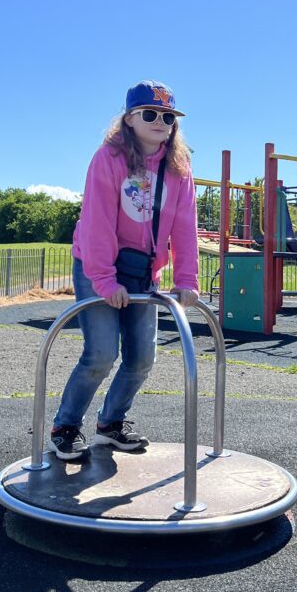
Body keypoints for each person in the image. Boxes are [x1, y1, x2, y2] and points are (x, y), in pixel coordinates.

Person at [50, 80, 199, 459]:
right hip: (99, 263)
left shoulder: (178, 169)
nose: (160, 122)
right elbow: (96, 218)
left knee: (142, 358)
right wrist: (103, 278)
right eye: (150, 114)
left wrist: (186, 280)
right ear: (129, 119)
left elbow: (184, 226)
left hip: (144, 270)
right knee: (101, 353)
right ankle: (66, 425)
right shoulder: (110, 159)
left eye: (168, 117)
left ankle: (111, 423)